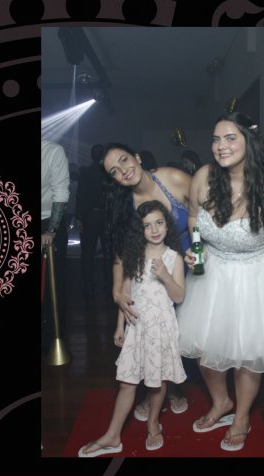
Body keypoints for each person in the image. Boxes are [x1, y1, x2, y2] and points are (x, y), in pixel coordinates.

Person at [176, 111, 264, 452]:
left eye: (230, 138)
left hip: (257, 276)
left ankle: (241, 416)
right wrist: (195, 248)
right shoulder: (203, 177)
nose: (221, 146)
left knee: (247, 355)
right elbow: (194, 217)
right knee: (203, 350)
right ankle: (221, 401)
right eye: (216, 139)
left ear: (249, 141)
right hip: (213, 274)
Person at [78, 201, 187, 457]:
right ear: (140, 230)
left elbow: (179, 296)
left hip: (161, 328)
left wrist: (165, 275)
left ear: (167, 225)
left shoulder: (174, 258)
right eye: (147, 226)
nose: (154, 230)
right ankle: (112, 435)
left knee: (157, 382)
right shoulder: (134, 257)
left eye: (158, 223)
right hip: (136, 328)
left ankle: (153, 423)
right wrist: (120, 326)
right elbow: (125, 296)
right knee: (127, 382)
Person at [103, 143, 193, 418]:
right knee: (157, 331)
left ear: (138, 157)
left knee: (186, 334)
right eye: (114, 171)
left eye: (124, 160)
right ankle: (158, 391)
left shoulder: (172, 178)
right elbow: (122, 253)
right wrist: (117, 291)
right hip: (153, 273)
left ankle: (172, 387)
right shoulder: (124, 205)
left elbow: (207, 212)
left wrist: (205, 250)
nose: (123, 171)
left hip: (193, 264)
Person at [40, 139, 70, 348]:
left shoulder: (52, 151)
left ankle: (52, 336)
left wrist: (51, 231)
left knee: (52, 282)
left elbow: (60, 193)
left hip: (48, 220)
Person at [76, 144, 111, 298]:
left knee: (87, 253)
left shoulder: (86, 172)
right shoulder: (107, 172)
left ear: (91, 155)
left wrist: (79, 217)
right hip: (106, 217)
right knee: (108, 254)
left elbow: (80, 195)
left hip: (90, 217)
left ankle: (88, 287)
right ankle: (109, 286)